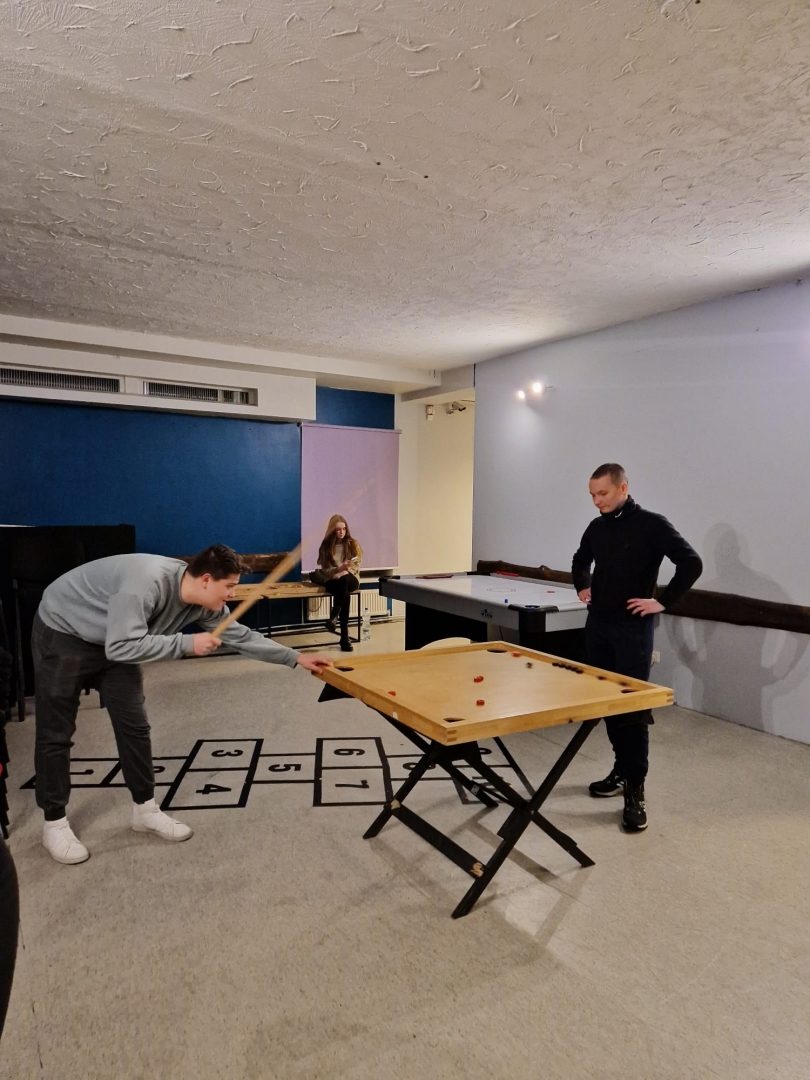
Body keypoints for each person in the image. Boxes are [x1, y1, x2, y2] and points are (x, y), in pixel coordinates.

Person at [32, 545, 332, 865]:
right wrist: (186, 643)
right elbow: (122, 646)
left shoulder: (205, 604)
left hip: (119, 640)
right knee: (56, 732)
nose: (233, 594)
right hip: (65, 630)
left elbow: (240, 637)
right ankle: (54, 824)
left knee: (135, 727)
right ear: (206, 580)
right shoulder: (145, 584)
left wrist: (296, 657)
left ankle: (145, 810)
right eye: (229, 586)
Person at [572, 464, 702, 831]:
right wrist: (582, 584)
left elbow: (691, 563)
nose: (597, 501)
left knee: (632, 709)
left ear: (623, 488)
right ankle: (620, 768)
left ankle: (635, 786)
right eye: (592, 495)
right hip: (598, 627)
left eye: (603, 493)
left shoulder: (651, 525)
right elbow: (581, 558)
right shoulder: (597, 527)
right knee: (608, 705)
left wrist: (662, 602)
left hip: (632, 631)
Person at [313, 515, 362, 653]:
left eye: (344, 529)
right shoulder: (325, 546)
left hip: (351, 578)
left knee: (344, 582)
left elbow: (356, 565)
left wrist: (344, 572)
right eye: (338, 529)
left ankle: (334, 616)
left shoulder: (353, 544)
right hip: (333, 580)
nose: (342, 532)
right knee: (344, 592)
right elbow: (325, 569)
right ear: (332, 531)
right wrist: (339, 570)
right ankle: (344, 638)